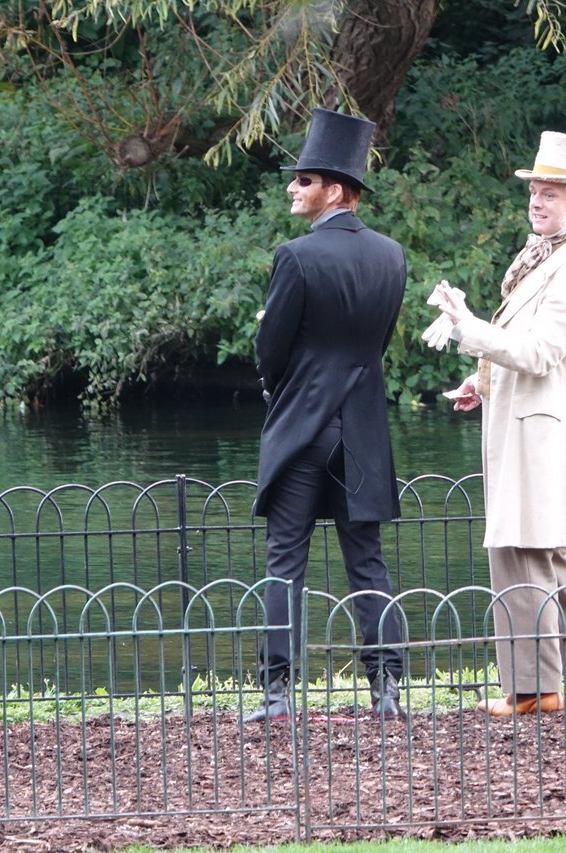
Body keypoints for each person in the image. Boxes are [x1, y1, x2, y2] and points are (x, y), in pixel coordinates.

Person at [427, 131, 566, 717]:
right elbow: (527, 348)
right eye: (535, 190)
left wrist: (466, 326)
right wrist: (481, 380)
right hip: (527, 423)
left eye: (552, 192)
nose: (537, 201)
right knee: (540, 550)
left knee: (521, 550)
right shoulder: (551, 254)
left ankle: (534, 691)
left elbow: (541, 353)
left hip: (544, 431)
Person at [246, 108, 408, 723]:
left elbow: (272, 350)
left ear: (334, 191)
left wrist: (276, 390)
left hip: (304, 425)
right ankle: (388, 690)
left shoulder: (296, 256)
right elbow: (376, 344)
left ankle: (277, 694)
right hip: (362, 428)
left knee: (285, 561)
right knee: (366, 560)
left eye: (304, 180)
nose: (293, 187)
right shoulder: (391, 257)